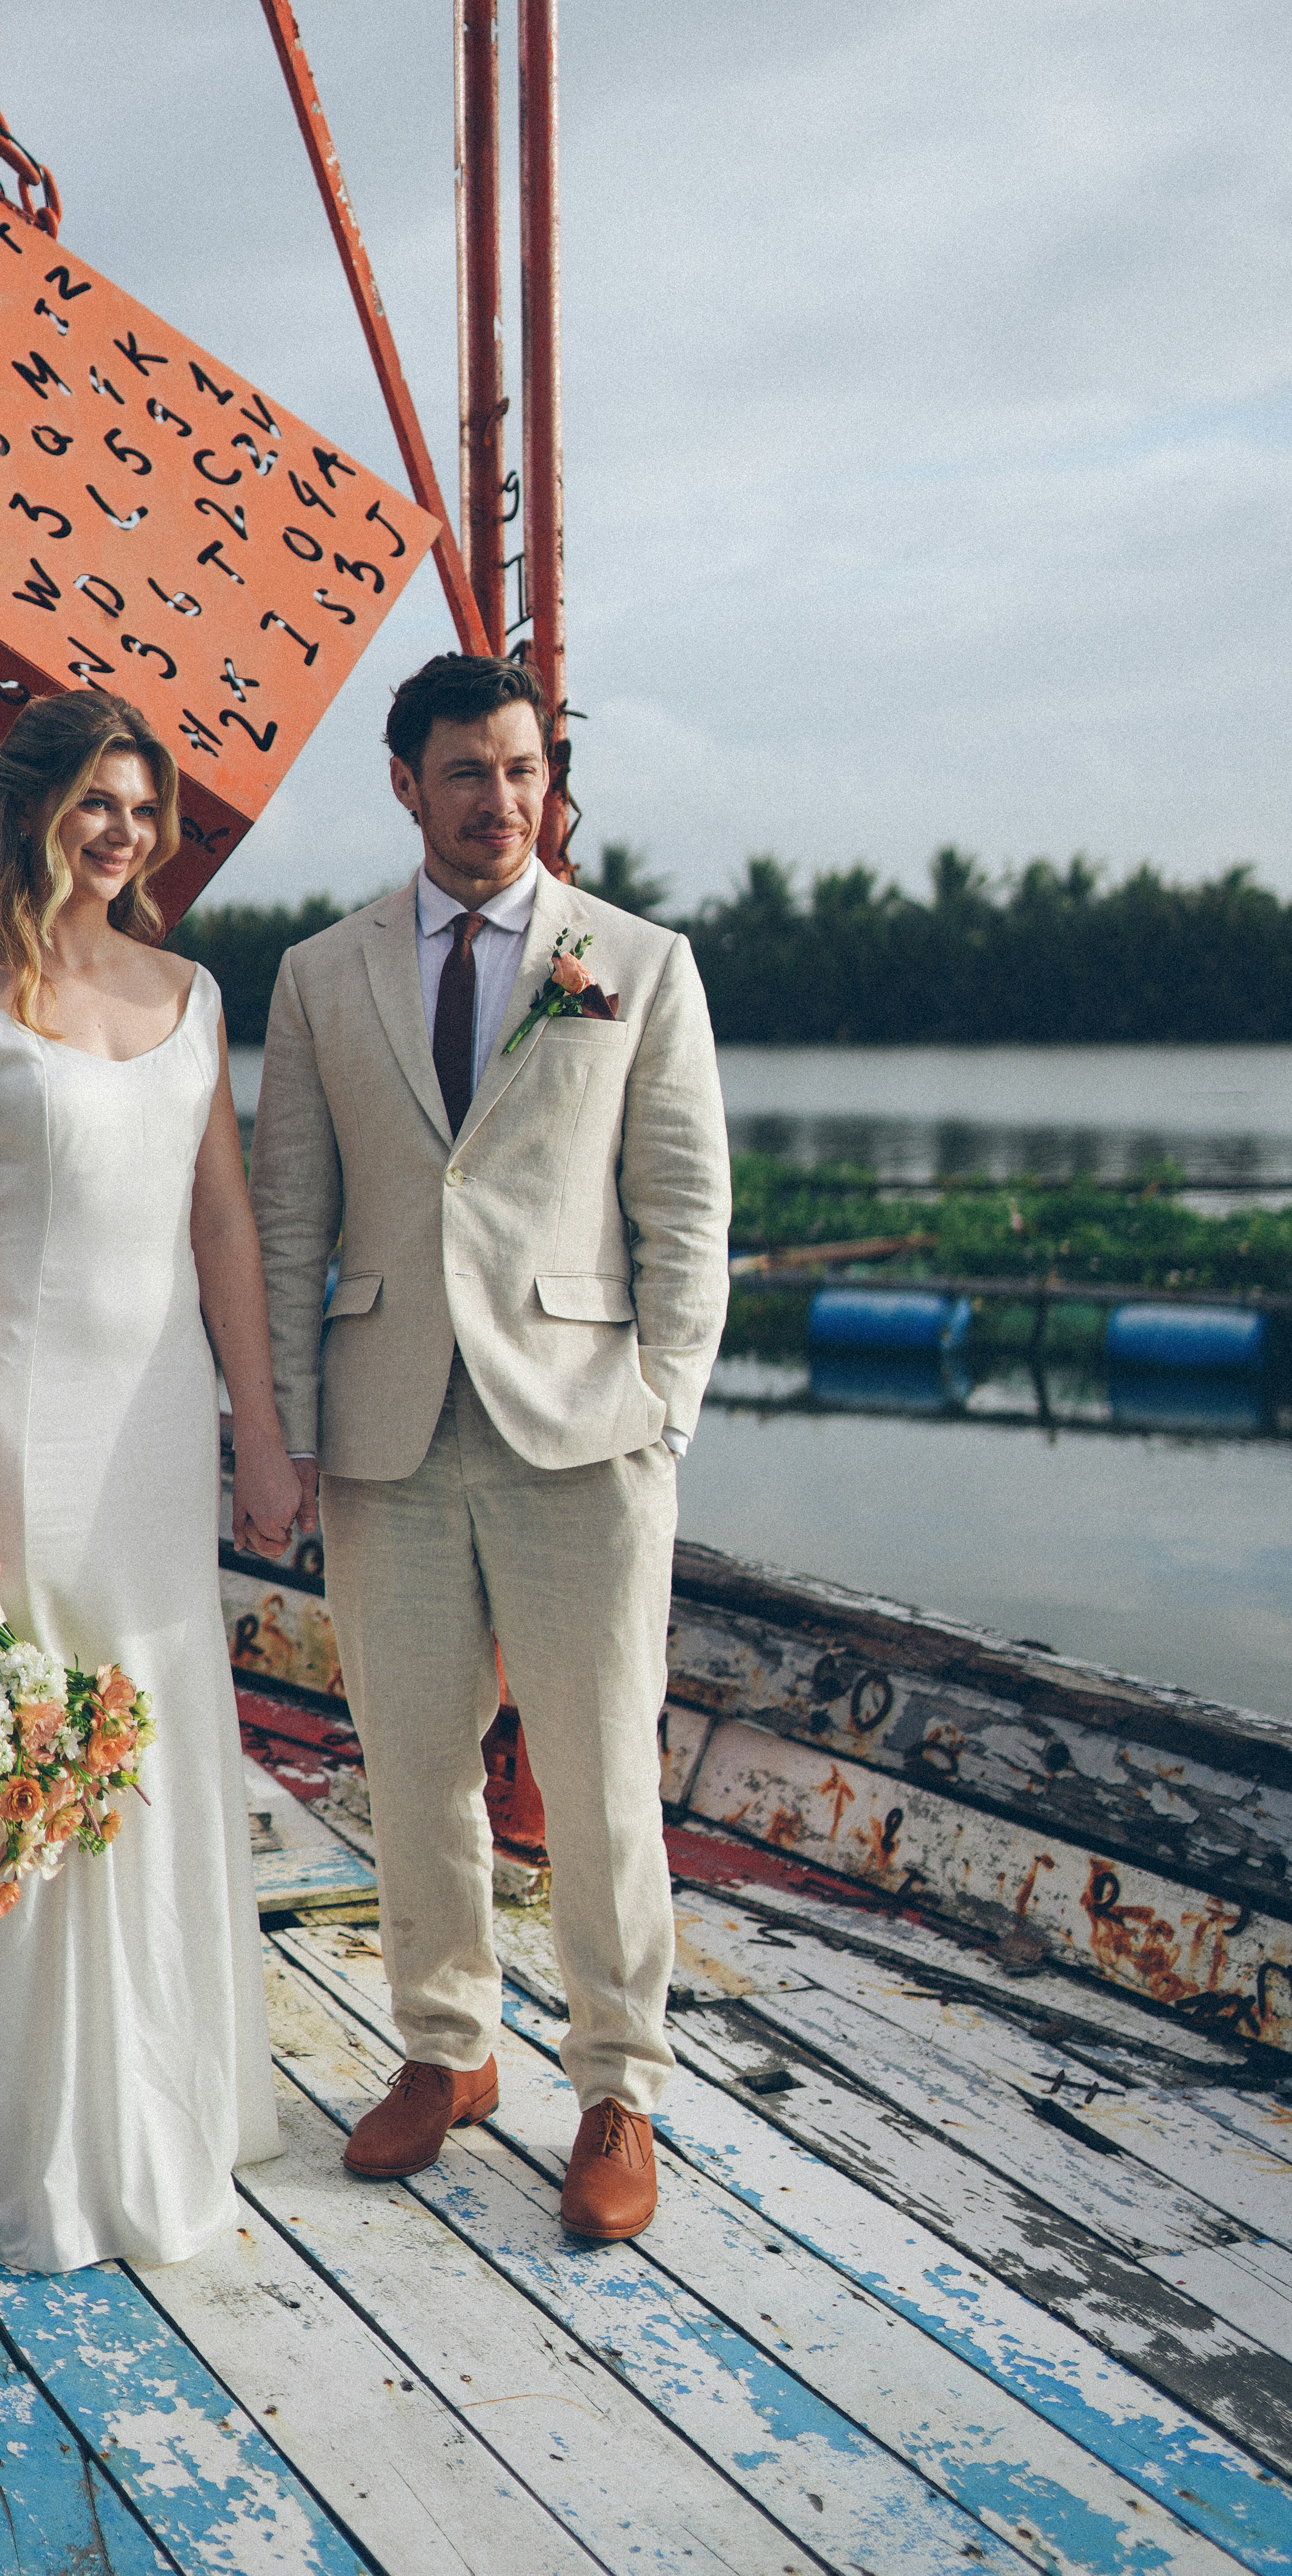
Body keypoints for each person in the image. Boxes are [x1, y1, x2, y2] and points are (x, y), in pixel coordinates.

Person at [248, 651, 730, 2241]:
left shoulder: (640, 964)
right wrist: (287, 1436)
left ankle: (618, 2089)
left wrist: (663, 1407)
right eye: (469, 772)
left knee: (600, 1777)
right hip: (390, 1426)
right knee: (414, 1764)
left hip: (585, 1430)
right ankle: (446, 2052)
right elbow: (292, 1217)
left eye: (526, 772)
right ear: (407, 782)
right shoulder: (323, 976)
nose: (501, 801)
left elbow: (688, 1209)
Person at [0, 689, 297, 2271]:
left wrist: (264, 1432)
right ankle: (23, 2133)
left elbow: (220, 1223)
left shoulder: (192, 991)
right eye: (97, 803)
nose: (123, 833)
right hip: (18, 1423)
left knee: (153, 1744)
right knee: (21, 1754)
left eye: (144, 809)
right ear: (26, 811)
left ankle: (164, 2102)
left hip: (161, 1432)